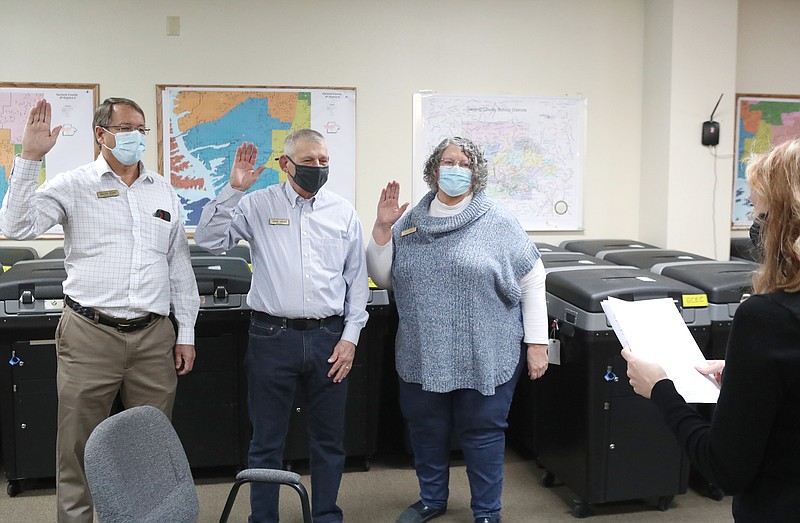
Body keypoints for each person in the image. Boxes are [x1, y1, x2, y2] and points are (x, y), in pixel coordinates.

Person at [0, 98, 199, 523]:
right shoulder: (74, 184)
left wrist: (186, 334)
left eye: (142, 130)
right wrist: (30, 158)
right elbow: (15, 227)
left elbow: (179, 267)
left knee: (149, 448)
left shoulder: (162, 190)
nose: (136, 137)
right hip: (90, 334)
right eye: (127, 128)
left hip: (153, 336)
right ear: (101, 133)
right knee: (79, 448)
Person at [367, 136, 549, 523]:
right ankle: (432, 500)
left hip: (487, 350)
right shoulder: (409, 223)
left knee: (483, 433)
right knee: (426, 430)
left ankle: (486, 511)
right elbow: (384, 278)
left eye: (464, 163)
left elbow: (533, 279)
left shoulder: (498, 222)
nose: (455, 169)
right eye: (448, 162)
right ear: (434, 170)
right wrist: (383, 230)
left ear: (476, 173)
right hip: (422, 350)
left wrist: (537, 343)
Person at [194, 130, 369, 523]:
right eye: (309, 161)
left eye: (324, 161)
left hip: (330, 338)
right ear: (285, 164)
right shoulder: (258, 204)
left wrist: (350, 339)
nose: (318, 168)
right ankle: (264, 519)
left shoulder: (342, 212)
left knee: (328, 439)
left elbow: (356, 283)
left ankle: (325, 515)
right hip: (273, 336)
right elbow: (207, 240)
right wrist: (233, 190)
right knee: (267, 442)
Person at [622, 138, 800, 521]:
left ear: (784, 222)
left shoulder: (766, 319)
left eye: (758, 209)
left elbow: (725, 469)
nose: (754, 223)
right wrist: (745, 378)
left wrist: (661, 390)